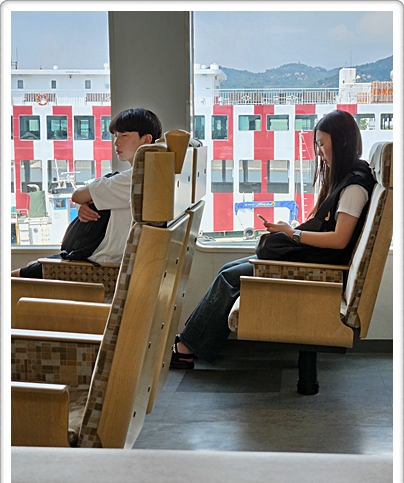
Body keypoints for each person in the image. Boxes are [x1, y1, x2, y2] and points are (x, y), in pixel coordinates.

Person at [171, 109, 376, 369]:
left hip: (321, 269)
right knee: (227, 269)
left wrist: (292, 233)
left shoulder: (354, 188)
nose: (319, 152)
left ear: (343, 142)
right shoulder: (347, 179)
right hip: (314, 259)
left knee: (230, 277)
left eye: (322, 144)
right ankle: (190, 341)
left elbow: (339, 240)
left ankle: (186, 348)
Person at [12, 108, 162, 278]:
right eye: (116, 136)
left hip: (100, 263)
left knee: (13, 279)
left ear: (146, 139)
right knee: (32, 266)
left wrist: (85, 200)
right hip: (101, 258)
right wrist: (86, 203)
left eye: (124, 135)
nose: (116, 142)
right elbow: (85, 198)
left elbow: (77, 195)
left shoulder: (134, 178)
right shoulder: (153, 174)